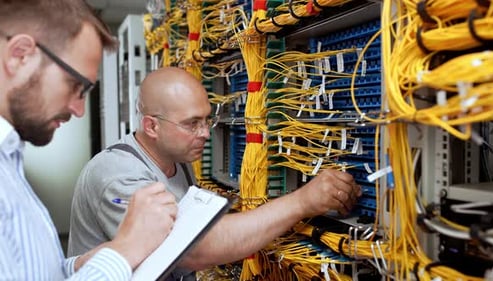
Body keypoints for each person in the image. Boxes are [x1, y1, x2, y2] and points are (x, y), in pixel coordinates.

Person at [68, 67, 362, 280]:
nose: (206, 133)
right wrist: (302, 202)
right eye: (192, 123)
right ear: (151, 126)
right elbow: (191, 249)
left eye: (207, 119)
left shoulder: (176, 159)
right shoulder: (117, 175)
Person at [0, 1, 178, 280]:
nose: (79, 110)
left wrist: (82, 264)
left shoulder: (9, 158)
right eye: (75, 86)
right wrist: (126, 248)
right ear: (19, 55)